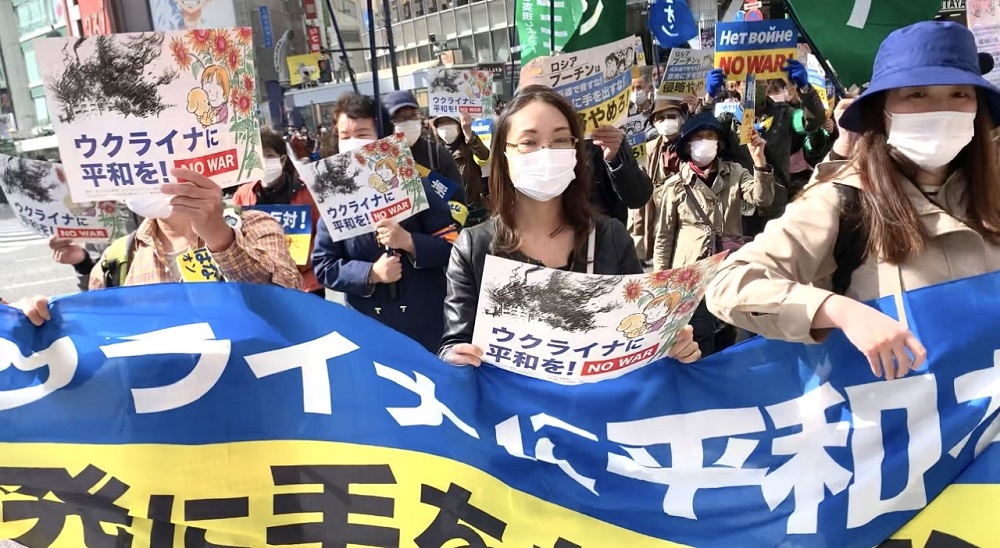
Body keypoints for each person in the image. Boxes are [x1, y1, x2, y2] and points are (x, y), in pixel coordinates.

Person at [706, 21, 1000, 381]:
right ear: (882, 111)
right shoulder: (845, 199)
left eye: (959, 94)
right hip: (894, 421)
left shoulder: (991, 194)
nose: (940, 110)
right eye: (917, 94)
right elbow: (729, 284)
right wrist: (836, 310)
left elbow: (807, 120)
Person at [438, 86, 700, 367]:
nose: (547, 152)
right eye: (529, 142)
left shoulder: (609, 237)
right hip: (513, 409)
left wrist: (670, 346)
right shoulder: (473, 247)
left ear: (576, 150)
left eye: (561, 139)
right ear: (504, 154)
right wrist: (454, 357)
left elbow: (639, 330)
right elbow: (454, 342)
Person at [12, 168, 303, 325]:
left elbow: (291, 305)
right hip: (161, 424)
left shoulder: (253, 225)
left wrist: (219, 236)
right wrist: (34, 323)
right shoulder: (117, 258)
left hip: (255, 417)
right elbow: (100, 343)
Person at [312, 92, 459, 352]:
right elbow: (324, 266)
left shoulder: (417, 187)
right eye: (345, 136)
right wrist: (371, 274)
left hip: (427, 326)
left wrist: (410, 242)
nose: (353, 142)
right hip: (368, 328)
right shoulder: (333, 199)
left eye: (362, 133)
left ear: (381, 136)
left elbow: (453, 247)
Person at [652, 112, 773, 356]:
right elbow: (664, 236)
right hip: (689, 274)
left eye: (710, 136)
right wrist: (660, 282)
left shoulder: (736, 173)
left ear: (719, 143)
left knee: (731, 334)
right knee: (698, 337)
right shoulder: (674, 185)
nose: (705, 141)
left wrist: (759, 162)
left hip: (728, 268)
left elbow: (762, 198)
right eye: (698, 137)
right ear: (688, 145)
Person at [702, 60, 827, 236]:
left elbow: (813, 121)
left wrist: (806, 89)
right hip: (740, 207)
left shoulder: (785, 114)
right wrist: (707, 99)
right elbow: (702, 132)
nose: (754, 85)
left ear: (768, 83)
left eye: (760, 80)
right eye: (747, 80)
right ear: (737, 86)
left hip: (775, 206)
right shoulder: (728, 120)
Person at [232, 127, 325, 297]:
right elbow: (234, 237)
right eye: (258, 157)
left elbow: (323, 236)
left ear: (282, 160)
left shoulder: (307, 191)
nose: (264, 161)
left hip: (307, 285)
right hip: (262, 286)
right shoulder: (242, 195)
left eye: (269, 156)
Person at [629, 97, 686, 265]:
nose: (666, 121)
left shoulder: (690, 146)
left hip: (684, 208)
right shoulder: (649, 148)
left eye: (671, 116)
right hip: (657, 208)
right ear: (654, 123)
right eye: (660, 118)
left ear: (681, 119)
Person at [382, 91, 466, 203]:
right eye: (400, 118)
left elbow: (459, 202)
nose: (408, 122)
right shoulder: (377, 161)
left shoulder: (439, 155)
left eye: (412, 116)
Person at [433, 112, 491, 226]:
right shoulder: (435, 153)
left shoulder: (469, 147)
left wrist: (469, 132)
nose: (445, 127)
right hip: (449, 213)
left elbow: (484, 156)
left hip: (474, 211)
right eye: (441, 123)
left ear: (459, 125)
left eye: (449, 122)